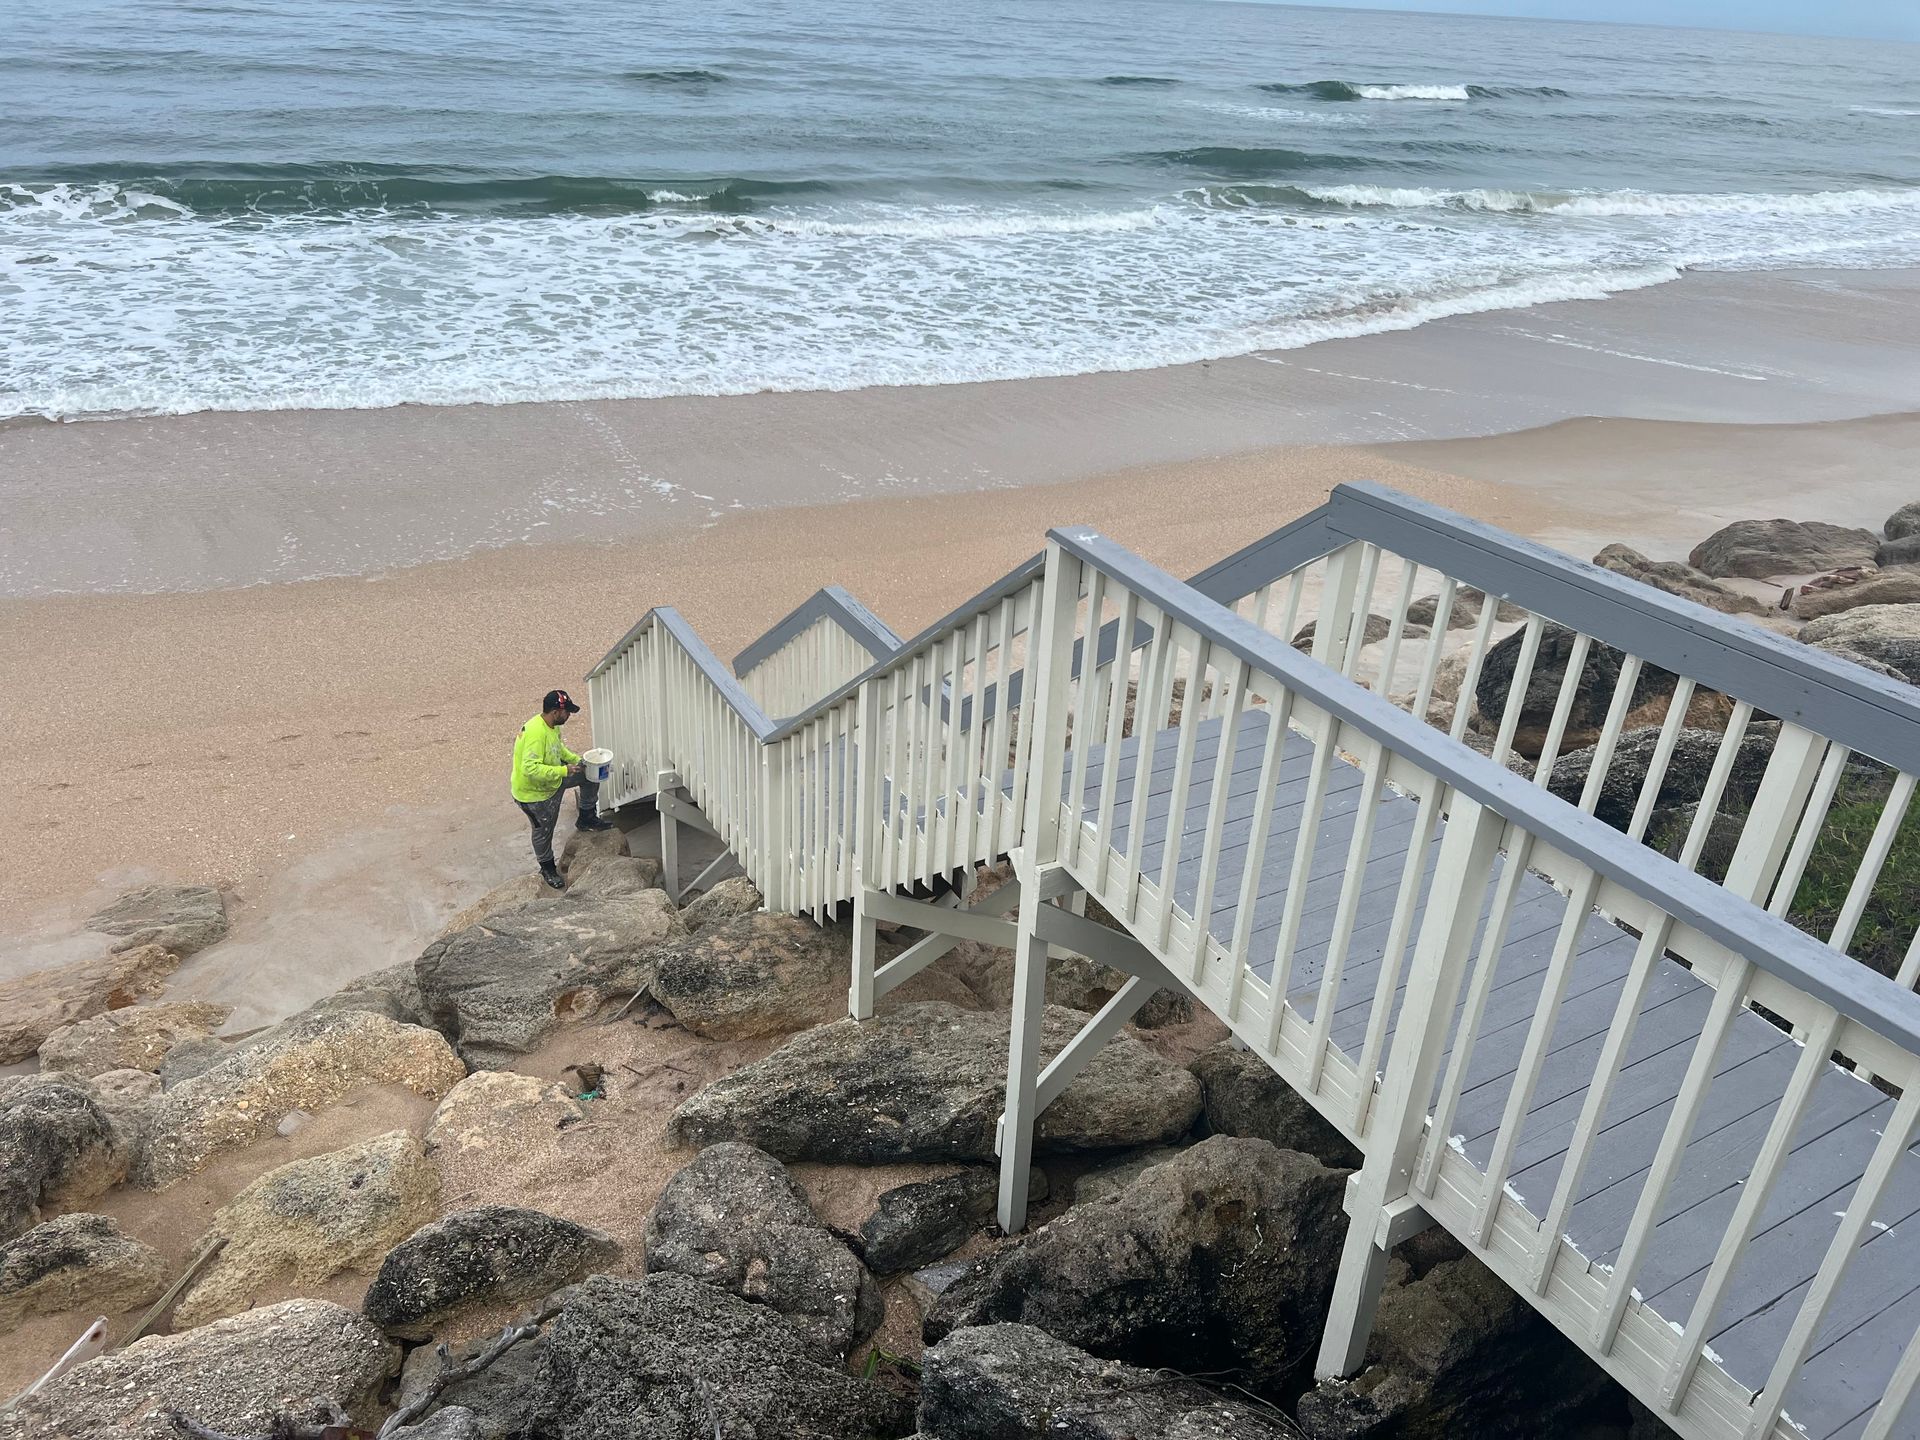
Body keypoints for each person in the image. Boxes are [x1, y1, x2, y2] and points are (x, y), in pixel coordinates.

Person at [511, 688, 611, 888]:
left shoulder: (551, 726)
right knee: (543, 830)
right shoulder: (536, 733)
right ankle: (547, 866)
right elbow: (530, 769)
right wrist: (563, 771)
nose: (569, 716)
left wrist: (579, 761)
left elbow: (558, 749)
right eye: (567, 712)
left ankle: (586, 817)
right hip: (534, 794)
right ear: (556, 712)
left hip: (553, 779)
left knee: (589, 775)